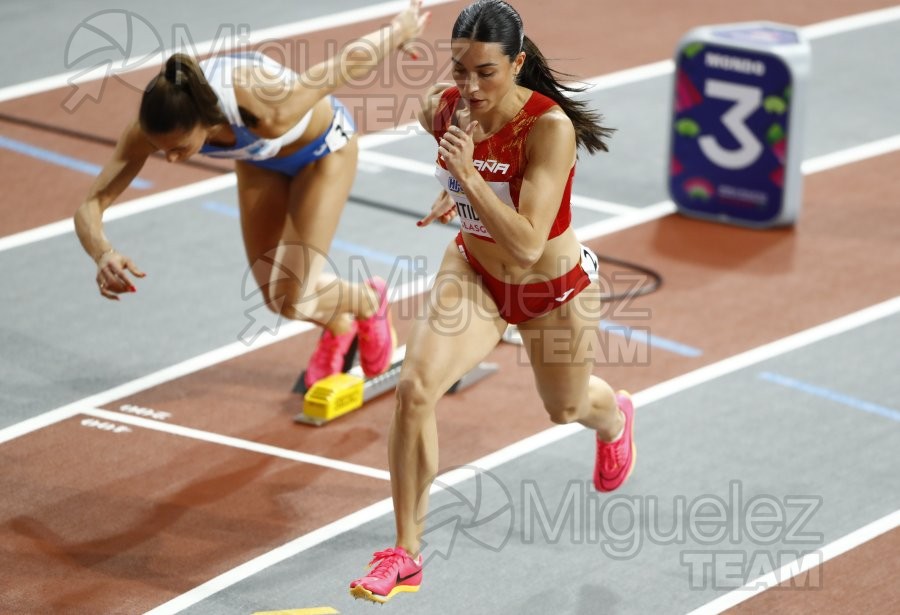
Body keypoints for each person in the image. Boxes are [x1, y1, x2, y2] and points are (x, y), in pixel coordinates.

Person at [349, 0, 635, 604]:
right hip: (475, 272)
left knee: (566, 408)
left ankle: (613, 418)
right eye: (460, 70)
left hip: (551, 291)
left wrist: (470, 180)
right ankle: (406, 553)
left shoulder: (548, 128)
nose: (469, 87)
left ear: (519, 64)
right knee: (415, 388)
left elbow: (531, 244)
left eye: (486, 73)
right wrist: (458, 196)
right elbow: (464, 174)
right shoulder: (444, 106)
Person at [74, 0, 430, 387]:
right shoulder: (150, 127)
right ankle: (338, 324)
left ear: (207, 123)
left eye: (180, 147)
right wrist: (103, 253)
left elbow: (344, 63)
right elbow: (91, 205)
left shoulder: (265, 106)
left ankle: (367, 300)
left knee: (295, 295)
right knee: (277, 301)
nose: (171, 159)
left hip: (324, 153)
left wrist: (398, 31)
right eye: (163, 150)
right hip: (261, 162)